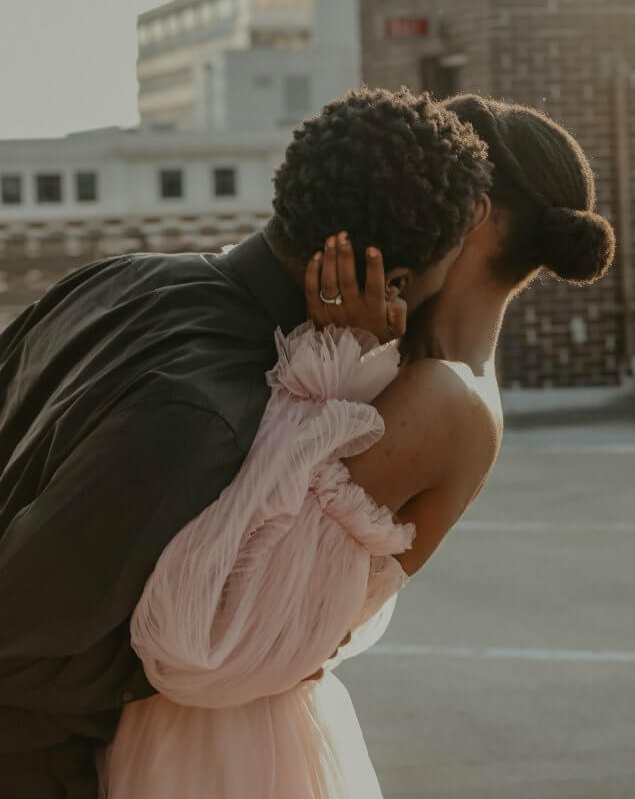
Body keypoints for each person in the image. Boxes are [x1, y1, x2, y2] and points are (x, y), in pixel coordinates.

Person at [99, 93, 615, 797]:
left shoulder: (440, 397)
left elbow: (220, 604)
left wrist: (338, 353)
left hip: (219, 748)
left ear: (469, 213)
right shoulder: (423, 364)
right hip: (221, 728)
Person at [0, 87, 491, 798]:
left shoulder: (115, 277)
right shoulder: (210, 413)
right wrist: (260, 651)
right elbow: (26, 639)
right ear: (391, 279)